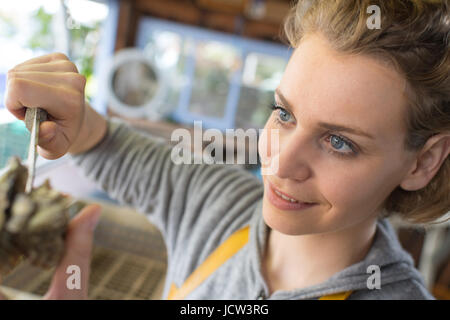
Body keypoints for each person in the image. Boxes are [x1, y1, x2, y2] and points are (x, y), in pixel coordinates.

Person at [3, 0, 449, 299]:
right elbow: (99, 141)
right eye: (284, 113)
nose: (278, 162)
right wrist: (65, 110)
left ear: (423, 162)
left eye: (339, 142)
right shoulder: (219, 204)